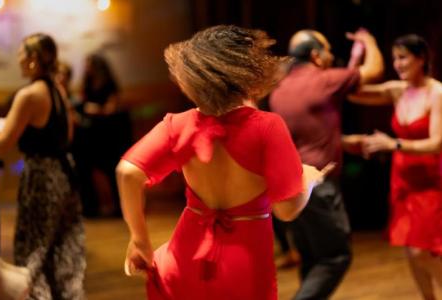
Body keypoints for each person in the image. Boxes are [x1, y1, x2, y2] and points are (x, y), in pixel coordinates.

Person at [116, 25, 331, 299]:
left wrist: (140, 240)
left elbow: (127, 173)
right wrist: (309, 179)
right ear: (247, 69)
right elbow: (286, 210)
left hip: (186, 255)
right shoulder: (267, 127)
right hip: (243, 263)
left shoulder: (177, 124)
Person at [269, 29, 384, 299]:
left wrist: (341, 141)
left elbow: (306, 134)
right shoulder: (324, 81)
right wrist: (370, 41)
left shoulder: (281, 89)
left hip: (289, 186)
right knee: (335, 256)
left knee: (312, 257)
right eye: (328, 50)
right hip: (319, 185)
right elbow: (374, 71)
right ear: (316, 56)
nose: (332, 56)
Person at [347, 34, 442, 300]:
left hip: (430, 183)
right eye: (394, 59)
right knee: (410, 247)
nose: (397, 64)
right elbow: (351, 90)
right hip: (403, 182)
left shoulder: (437, 93)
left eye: (403, 57)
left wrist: (394, 145)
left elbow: (437, 144)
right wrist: (359, 55)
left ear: (421, 58)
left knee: (422, 250)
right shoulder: (396, 90)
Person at [0, 33, 85, 299]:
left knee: (34, 247)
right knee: (59, 247)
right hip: (64, 173)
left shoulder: (29, 95)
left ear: (33, 60)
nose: (18, 60)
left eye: (21, 54)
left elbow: (1, 145)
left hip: (41, 177)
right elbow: (67, 136)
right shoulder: (57, 89)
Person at [73, 53, 132, 217]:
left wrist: (96, 109)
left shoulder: (109, 83)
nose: (86, 68)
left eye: (89, 64)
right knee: (88, 170)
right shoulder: (87, 83)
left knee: (112, 170)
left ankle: (120, 209)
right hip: (91, 134)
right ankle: (92, 208)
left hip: (109, 133)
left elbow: (111, 108)